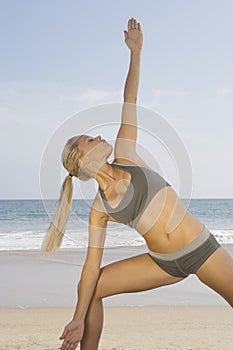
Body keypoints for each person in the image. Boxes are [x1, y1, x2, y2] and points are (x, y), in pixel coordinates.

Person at [41, 18, 233, 350]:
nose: (99, 136)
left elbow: (129, 97)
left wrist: (136, 52)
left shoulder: (127, 153)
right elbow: (90, 269)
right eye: (90, 139)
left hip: (201, 249)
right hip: (161, 263)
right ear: (81, 161)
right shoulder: (100, 210)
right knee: (94, 289)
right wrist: (77, 316)